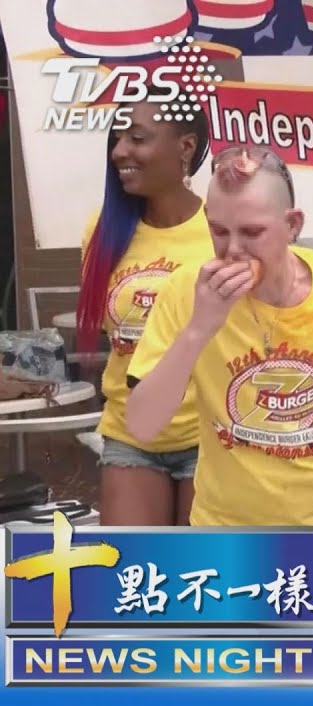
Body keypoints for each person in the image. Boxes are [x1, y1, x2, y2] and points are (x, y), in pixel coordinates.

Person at [124, 145, 313, 527]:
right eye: (219, 231)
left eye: (252, 232)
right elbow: (142, 425)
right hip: (226, 532)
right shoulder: (187, 290)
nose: (233, 250)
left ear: (292, 225)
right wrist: (199, 329)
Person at [74, 98, 212, 526]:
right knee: (131, 563)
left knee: (201, 566)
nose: (119, 152)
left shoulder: (221, 231)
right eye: (117, 139)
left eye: (136, 138)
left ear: (185, 147)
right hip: (129, 434)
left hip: (209, 436)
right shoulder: (103, 230)